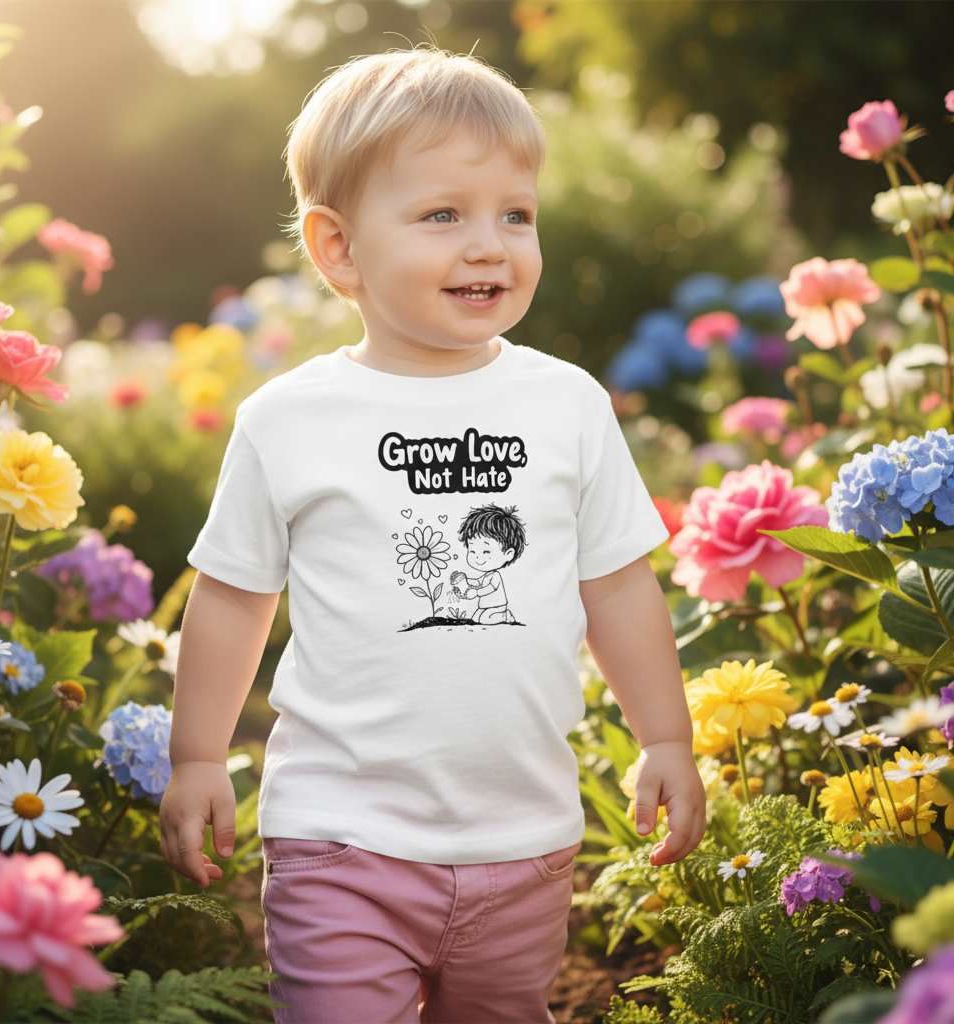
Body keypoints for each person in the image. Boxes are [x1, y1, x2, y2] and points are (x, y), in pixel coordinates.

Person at [160, 47, 706, 1024]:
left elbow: (617, 585)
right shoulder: (289, 417)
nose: (490, 244)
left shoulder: (564, 404)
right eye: (443, 214)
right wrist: (199, 755)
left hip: (527, 843)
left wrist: (665, 733)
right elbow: (235, 591)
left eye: (516, 213)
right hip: (341, 839)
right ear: (338, 250)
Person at [450, 503, 526, 624]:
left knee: (486, 619)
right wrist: (464, 582)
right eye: (472, 550)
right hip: (484, 606)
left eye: (486, 551)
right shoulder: (487, 575)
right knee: (475, 618)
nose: (477, 557)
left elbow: (490, 588)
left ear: (508, 553)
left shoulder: (495, 576)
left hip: (497, 607)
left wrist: (476, 592)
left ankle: (505, 616)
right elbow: (478, 582)